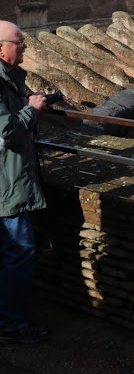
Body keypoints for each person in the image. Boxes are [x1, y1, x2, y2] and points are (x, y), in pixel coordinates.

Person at [0, 21, 49, 344]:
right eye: (19, 43)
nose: (25, 48)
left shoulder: (10, 78)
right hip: (6, 186)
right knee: (18, 251)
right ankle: (11, 325)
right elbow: (6, 130)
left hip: (9, 180)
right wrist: (31, 111)